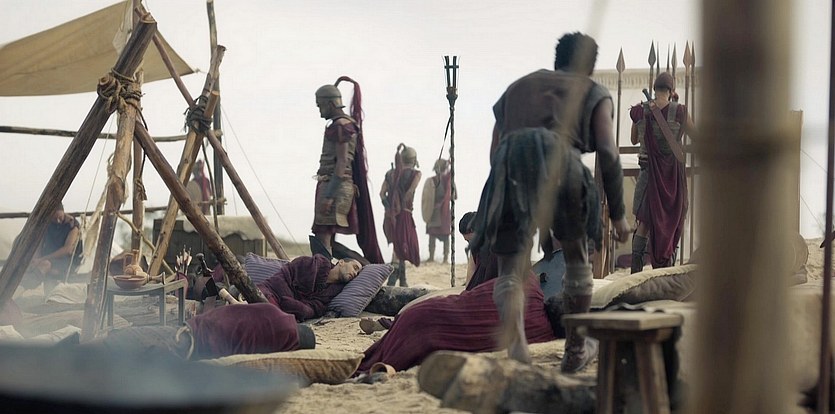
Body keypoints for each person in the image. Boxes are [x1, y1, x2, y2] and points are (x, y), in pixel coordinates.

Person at [469, 32, 630, 372]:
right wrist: (617, 214)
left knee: (510, 268)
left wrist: (507, 190)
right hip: (562, 162)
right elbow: (608, 151)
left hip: (510, 165)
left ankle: (516, 346)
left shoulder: (517, 88)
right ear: (589, 67)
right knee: (576, 259)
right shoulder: (592, 91)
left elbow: (495, 151)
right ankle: (575, 349)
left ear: (557, 60)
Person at [312, 77, 383, 265]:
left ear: (330, 103)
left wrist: (329, 195)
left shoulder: (341, 126)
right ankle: (366, 268)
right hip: (333, 184)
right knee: (325, 241)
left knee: (322, 239)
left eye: (320, 106)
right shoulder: (341, 124)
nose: (320, 111)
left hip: (335, 186)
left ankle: (370, 268)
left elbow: (342, 162)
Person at [629, 72, 696, 273]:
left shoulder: (639, 110)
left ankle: (635, 273)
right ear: (671, 90)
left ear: (654, 88)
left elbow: (633, 139)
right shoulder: (680, 111)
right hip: (671, 179)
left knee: (644, 224)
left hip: (647, 175)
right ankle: (667, 272)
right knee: (671, 224)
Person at [256, 254, 362, 322]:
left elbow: (316, 308)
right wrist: (288, 297)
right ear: (341, 262)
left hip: (285, 309)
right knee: (263, 301)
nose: (355, 273)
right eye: (355, 267)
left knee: (281, 319)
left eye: (357, 273)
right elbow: (285, 274)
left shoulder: (333, 292)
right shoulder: (314, 263)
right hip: (271, 290)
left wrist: (298, 307)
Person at [380, 144, 422, 286]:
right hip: (404, 214)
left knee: (399, 246)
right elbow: (410, 192)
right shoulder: (416, 174)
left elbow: (382, 194)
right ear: (413, 159)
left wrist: (390, 209)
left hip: (390, 215)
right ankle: (392, 282)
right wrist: (401, 207)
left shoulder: (390, 173)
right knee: (400, 248)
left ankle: (403, 281)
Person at [23, 202, 84, 292]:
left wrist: (42, 259)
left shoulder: (73, 226)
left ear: (63, 212)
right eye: (54, 219)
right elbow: (39, 243)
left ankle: (26, 285)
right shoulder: (46, 224)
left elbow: (67, 249)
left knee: (45, 264)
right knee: (38, 264)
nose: (58, 221)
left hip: (67, 261)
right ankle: (26, 284)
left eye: (60, 217)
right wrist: (36, 259)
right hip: (50, 257)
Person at [422, 158, 455, 264]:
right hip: (434, 211)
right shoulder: (432, 181)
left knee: (445, 235)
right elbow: (428, 198)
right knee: (432, 234)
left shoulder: (448, 181)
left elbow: (454, 195)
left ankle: (445, 258)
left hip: (443, 213)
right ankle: (432, 257)